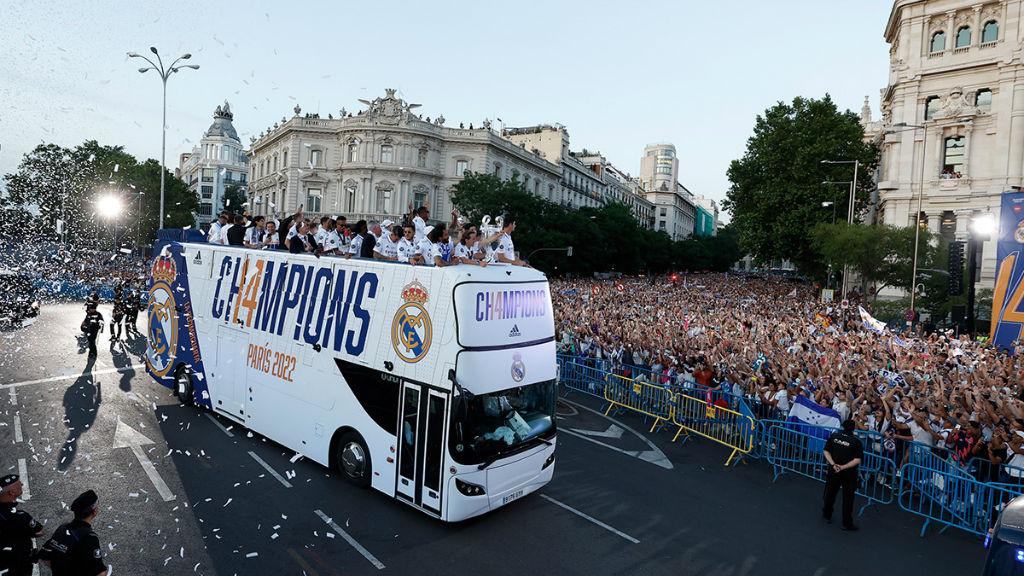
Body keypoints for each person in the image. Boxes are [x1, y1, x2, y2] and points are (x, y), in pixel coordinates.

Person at [38, 489, 107, 576]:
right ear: (95, 511)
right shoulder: (89, 538)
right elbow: (100, 573)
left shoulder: (62, 528)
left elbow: (45, 556)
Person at [822, 419, 864, 531]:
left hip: (834, 470)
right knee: (848, 498)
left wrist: (833, 464)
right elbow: (857, 460)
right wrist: (842, 467)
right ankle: (847, 523)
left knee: (830, 493)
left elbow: (826, 451)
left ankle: (827, 514)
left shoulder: (834, 436)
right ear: (853, 428)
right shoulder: (856, 441)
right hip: (849, 473)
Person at [0, 474, 44, 576]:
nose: (22, 484)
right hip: (18, 564)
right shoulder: (20, 517)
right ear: (12, 492)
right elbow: (39, 531)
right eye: (19, 485)